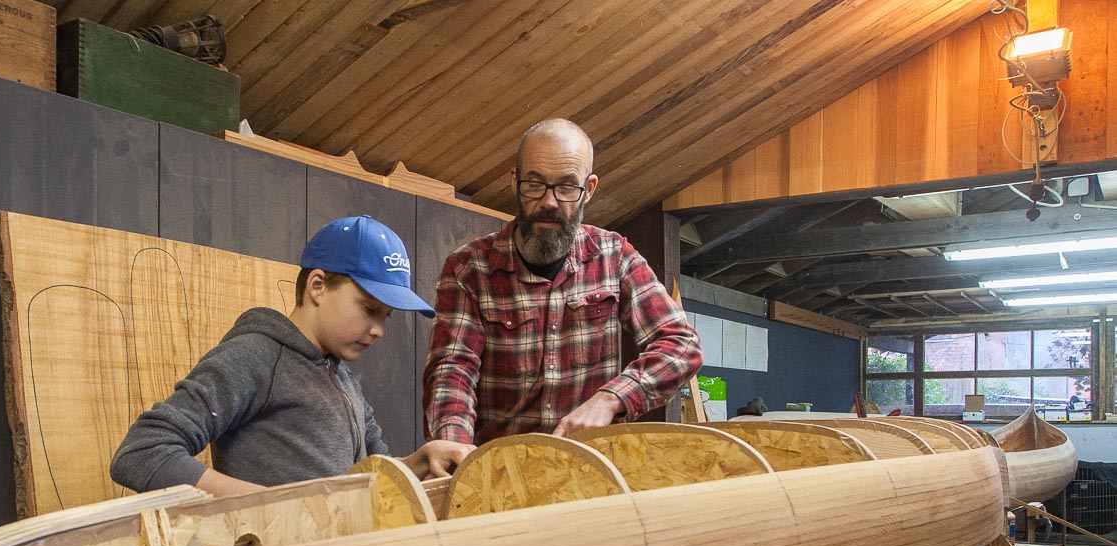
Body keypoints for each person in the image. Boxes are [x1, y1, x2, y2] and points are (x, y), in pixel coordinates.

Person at [112, 216, 473, 496]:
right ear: (318, 286)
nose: (379, 330)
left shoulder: (343, 380)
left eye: (385, 317)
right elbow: (143, 452)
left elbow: (365, 480)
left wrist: (419, 461)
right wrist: (270, 506)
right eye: (369, 309)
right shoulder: (255, 357)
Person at [423, 119, 702, 445]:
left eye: (567, 187)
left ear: (590, 188)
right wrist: (454, 448)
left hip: (589, 471)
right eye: (535, 184)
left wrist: (611, 399)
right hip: (498, 474)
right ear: (515, 182)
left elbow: (681, 345)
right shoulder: (469, 269)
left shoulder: (614, 257)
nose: (549, 202)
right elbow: (452, 373)